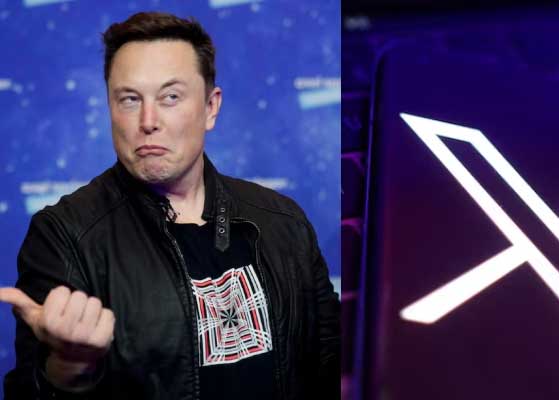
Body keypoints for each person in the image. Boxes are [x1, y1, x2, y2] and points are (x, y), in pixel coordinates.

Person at [0, 12, 339, 400]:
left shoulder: (284, 219)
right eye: (130, 99)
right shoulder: (64, 235)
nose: (148, 121)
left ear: (211, 107)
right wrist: (69, 367)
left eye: (170, 97)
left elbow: (331, 362)